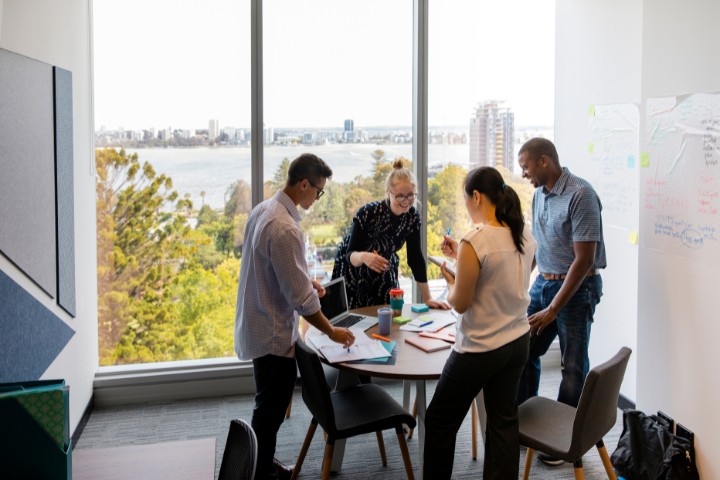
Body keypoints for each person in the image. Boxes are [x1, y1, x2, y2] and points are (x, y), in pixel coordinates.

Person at [234, 153, 355, 480]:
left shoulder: (263, 210)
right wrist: (333, 332)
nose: (318, 198)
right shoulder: (285, 229)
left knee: (267, 409)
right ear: (304, 184)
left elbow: (273, 270)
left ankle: (263, 461)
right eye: (318, 191)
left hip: (257, 324)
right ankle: (260, 472)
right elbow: (302, 301)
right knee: (269, 413)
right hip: (273, 335)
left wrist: (306, 280)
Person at [423, 166, 536, 479]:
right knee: (503, 422)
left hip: (480, 348)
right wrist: (463, 259)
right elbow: (506, 279)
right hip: (517, 342)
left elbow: (460, 302)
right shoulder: (524, 233)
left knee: (439, 421)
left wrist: (451, 277)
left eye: (466, 200)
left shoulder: (475, 239)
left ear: (476, 196)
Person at [516, 137, 606, 466]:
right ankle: (524, 422)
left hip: (577, 289)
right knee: (524, 350)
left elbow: (584, 260)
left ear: (544, 161)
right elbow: (540, 245)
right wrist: (524, 284)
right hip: (545, 283)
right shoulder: (539, 196)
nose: (524, 173)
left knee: (572, 366)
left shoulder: (581, 195)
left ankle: (561, 441)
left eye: (526, 166)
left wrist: (554, 308)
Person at [331, 158, 450, 310]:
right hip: (354, 269)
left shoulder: (412, 217)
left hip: (382, 267)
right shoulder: (368, 213)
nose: (406, 201)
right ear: (389, 193)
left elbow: (415, 259)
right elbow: (350, 254)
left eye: (411, 195)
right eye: (400, 196)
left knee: (389, 312)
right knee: (357, 319)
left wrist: (427, 298)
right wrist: (364, 257)